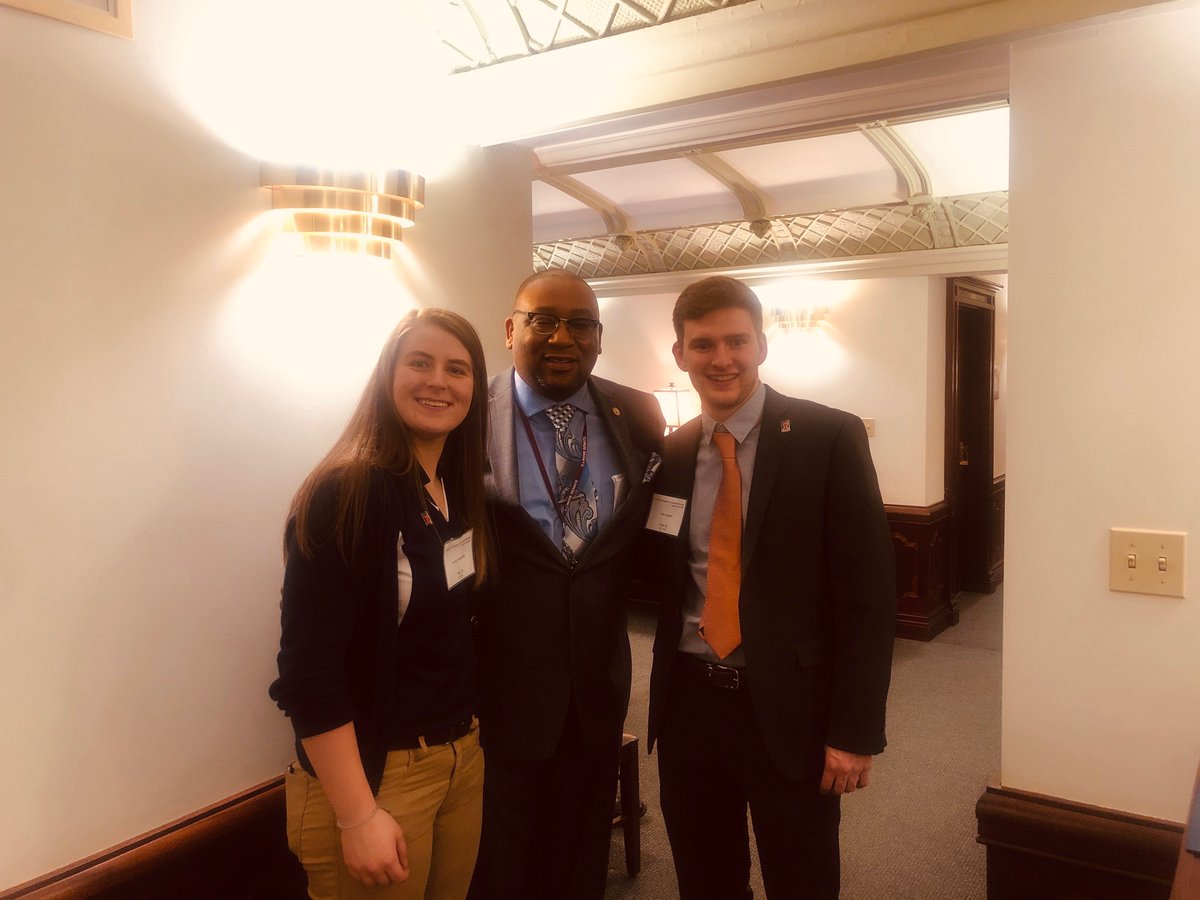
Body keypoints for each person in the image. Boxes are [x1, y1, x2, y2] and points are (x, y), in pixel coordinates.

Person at [643, 275, 895, 900]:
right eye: (703, 345)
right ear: (680, 355)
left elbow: (868, 596)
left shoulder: (827, 436)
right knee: (705, 877)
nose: (721, 359)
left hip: (789, 708)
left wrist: (854, 730)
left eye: (736, 341)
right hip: (690, 707)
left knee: (802, 877)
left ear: (761, 344)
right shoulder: (670, 453)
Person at [269, 308, 495, 900]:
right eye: (419, 363)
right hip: (379, 775)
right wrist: (358, 816)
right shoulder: (347, 491)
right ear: (386, 375)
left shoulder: (455, 488)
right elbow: (308, 674)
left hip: (459, 761)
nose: (438, 382)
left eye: (457, 369)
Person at [468, 269, 665, 900]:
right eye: (542, 320)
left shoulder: (635, 412)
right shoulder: (468, 415)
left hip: (597, 687)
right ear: (510, 330)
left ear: (599, 337)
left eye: (580, 323)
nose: (562, 337)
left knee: (582, 856)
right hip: (498, 693)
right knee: (500, 863)